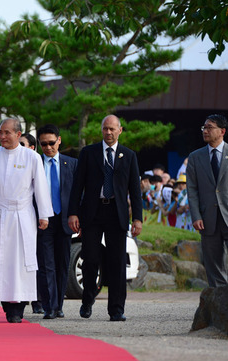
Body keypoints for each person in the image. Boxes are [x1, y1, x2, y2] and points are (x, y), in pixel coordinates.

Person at [0, 118, 53, 323]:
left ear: (18, 134)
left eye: (6, 133)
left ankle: (19, 306)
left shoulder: (32, 157)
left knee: (21, 262)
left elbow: (41, 187)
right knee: (1, 260)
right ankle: (6, 304)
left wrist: (44, 215)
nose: (2, 137)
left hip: (22, 215)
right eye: (0, 132)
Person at [68, 114, 142, 322]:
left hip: (116, 214)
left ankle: (116, 309)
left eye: (112, 129)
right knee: (90, 259)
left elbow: (134, 190)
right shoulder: (88, 153)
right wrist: (73, 213)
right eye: (105, 129)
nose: (108, 133)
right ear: (101, 130)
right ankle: (88, 298)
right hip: (92, 212)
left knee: (116, 262)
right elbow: (77, 186)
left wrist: (137, 218)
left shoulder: (128, 155)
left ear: (120, 130)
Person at [36, 124, 78, 319]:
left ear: (59, 140)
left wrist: (78, 216)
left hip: (65, 220)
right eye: (43, 144)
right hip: (43, 221)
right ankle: (49, 306)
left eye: (51, 143)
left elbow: (79, 194)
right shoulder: (35, 163)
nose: (48, 147)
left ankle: (58, 304)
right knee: (46, 265)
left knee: (62, 264)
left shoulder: (71, 164)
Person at [186, 114, 228, 287]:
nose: (205, 131)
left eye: (210, 127)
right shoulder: (195, 157)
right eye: (204, 127)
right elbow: (192, 190)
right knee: (213, 264)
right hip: (207, 218)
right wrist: (196, 216)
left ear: (222, 131)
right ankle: (219, 306)